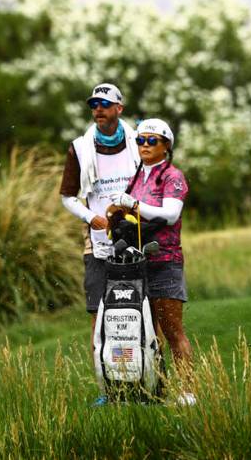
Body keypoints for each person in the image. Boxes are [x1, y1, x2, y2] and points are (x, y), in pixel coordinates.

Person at [110, 117, 195, 405]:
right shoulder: (137, 176)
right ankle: (151, 390)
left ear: (166, 146)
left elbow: (169, 215)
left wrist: (131, 204)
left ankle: (187, 392)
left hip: (165, 260)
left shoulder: (173, 176)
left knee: (172, 331)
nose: (144, 145)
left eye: (151, 140)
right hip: (136, 263)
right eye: (140, 140)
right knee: (143, 331)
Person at [59, 83, 140, 380]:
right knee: (99, 310)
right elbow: (67, 196)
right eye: (94, 105)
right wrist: (91, 217)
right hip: (98, 238)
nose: (98, 110)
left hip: (139, 233)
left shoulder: (139, 141)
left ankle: (148, 374)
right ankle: (105, 382)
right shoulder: (80, 148)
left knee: (144, 304)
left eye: (104, 105)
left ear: (119, 108)